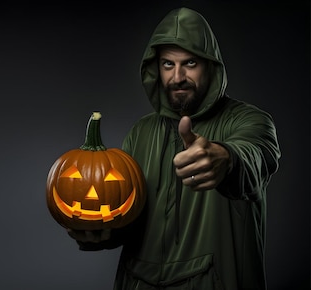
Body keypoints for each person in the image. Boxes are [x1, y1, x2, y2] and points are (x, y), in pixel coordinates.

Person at [66, 7, 281, 290]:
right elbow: (129, 214)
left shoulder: (250, 120)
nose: (177, 77)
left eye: (190, 63)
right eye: (168, 64)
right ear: (156, 69)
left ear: (211, 66)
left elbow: (256, 155)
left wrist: (226, 159)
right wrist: (103, 234)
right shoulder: (141, 132)